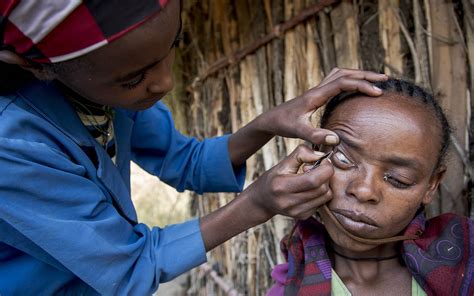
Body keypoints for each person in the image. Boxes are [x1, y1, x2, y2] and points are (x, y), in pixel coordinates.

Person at [0, 1, 387, 295]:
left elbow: (189, 162)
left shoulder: (106, 89)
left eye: (175, 43)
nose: (164, 82)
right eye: (135, 77)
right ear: (35, 67)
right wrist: (257, 203)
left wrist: (266, 123)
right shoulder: (11, 145)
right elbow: (129, 266)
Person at [268, 78, 474, 295]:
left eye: (398, 178)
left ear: (431, 185)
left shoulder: (464, 270)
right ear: (315, 155)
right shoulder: (290, 289)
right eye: (343, 159)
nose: (364, 191)